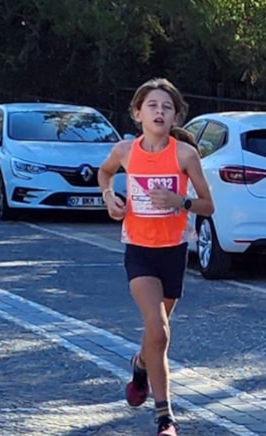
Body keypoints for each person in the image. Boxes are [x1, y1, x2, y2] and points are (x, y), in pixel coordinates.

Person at [97, 78, 214, 436]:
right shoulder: (125, 151)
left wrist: (180, 201)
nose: (159, 112)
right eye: (152, 105)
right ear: (138, 113)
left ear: (176, 115)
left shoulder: (184, 155)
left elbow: (208, 205)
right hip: (140, 252)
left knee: (154, 334)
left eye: (166, 107)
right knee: (160, 332)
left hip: (173, 251)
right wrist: (109, 197)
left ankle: (140, 365)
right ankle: (166, 418)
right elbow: (104, 172)